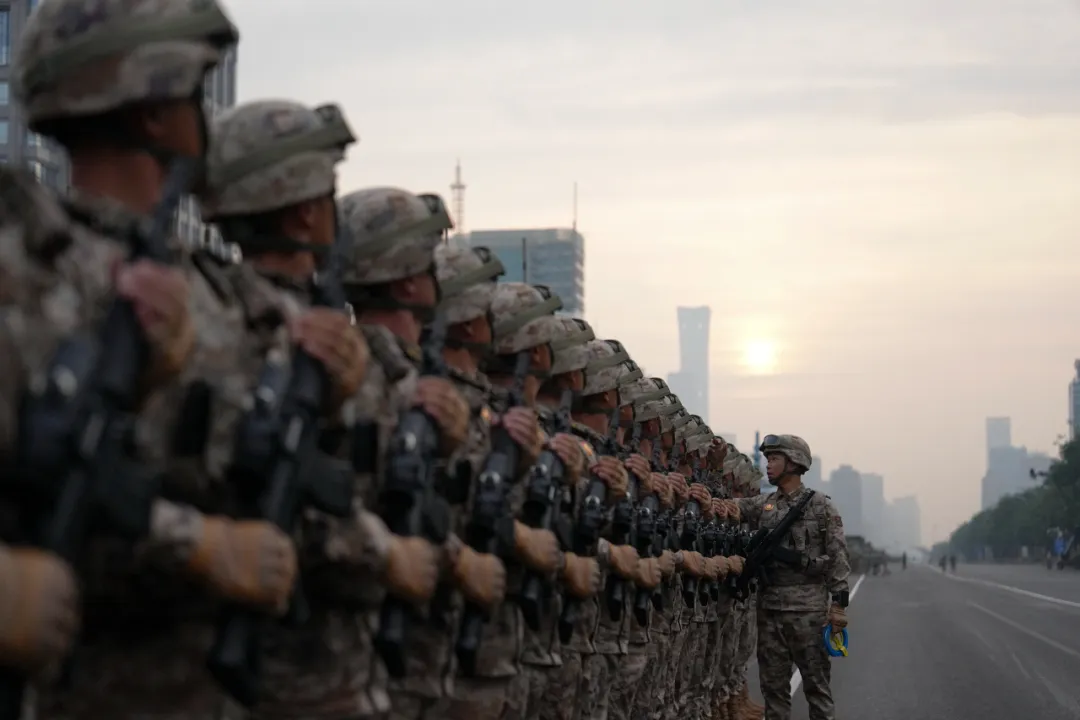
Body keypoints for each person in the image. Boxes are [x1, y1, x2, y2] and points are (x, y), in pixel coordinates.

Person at [725, 434, 849, 720]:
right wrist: (707, 499)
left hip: (808, 612)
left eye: (774, 459)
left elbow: (839, 558)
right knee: (773, 690)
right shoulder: (765, 504)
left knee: (816, 688)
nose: (768, 465)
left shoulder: (821, 507)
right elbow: (734, 508)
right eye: (768, 459)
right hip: (769, 611)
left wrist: (838, 605)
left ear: (794, 463)